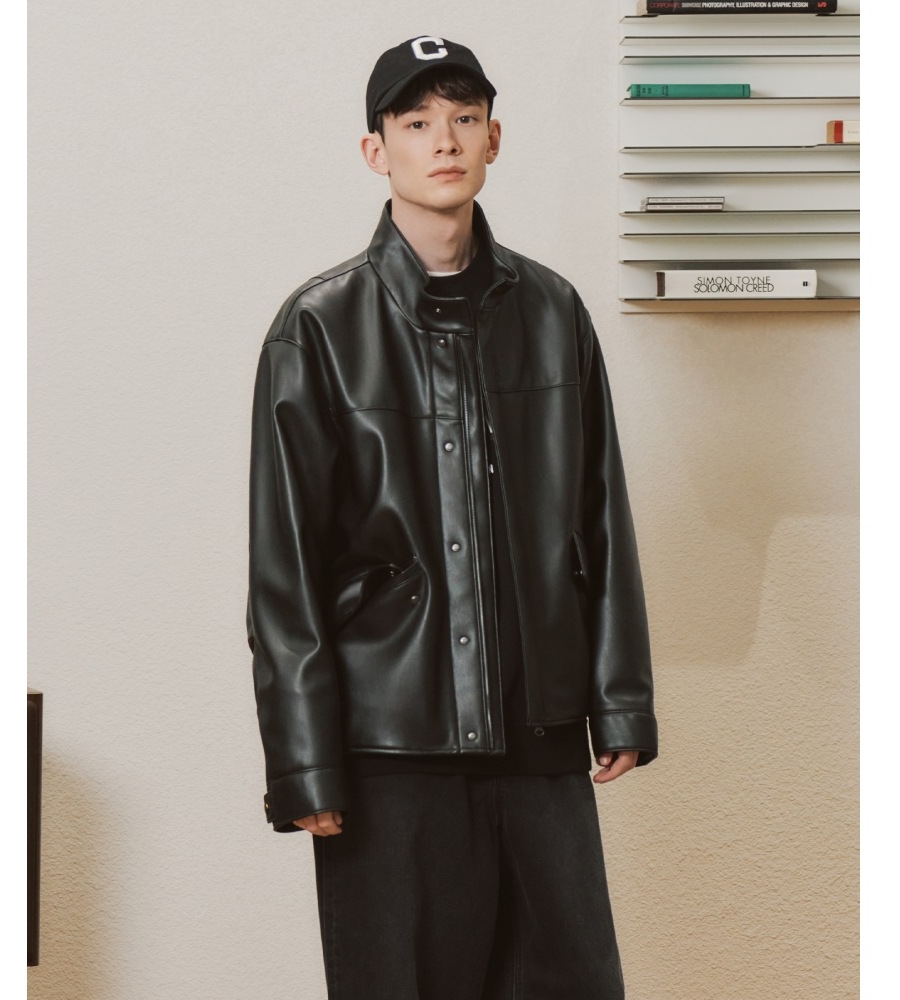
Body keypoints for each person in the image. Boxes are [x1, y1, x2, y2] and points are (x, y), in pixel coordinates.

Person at [247, 34, 657, 999]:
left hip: (540, 738)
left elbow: (601, 516)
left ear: (493, 140)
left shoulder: (553, 312)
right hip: (391, 750)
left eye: (465, 118)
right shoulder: (318, 328)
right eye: (418, 122)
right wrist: (305, 762)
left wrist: (620, 699)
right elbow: (284, 571)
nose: (445, 140)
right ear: (376, 150)